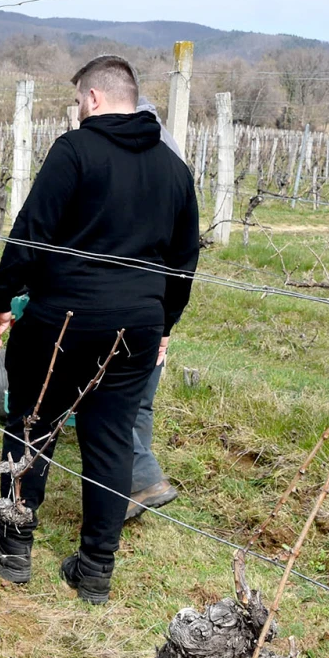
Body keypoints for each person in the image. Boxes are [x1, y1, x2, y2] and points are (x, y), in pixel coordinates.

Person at [0, 55, 199, 604]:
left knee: (32, 425)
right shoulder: (174, 168)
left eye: (77, 102)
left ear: (93, 99)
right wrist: (164, 322)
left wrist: (0, 300)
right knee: (112, 440)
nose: (77, 111)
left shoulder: (75, 151)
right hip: (137, 327)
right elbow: (185, 260)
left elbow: (32, 236)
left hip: (64, 321)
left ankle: (12, 545)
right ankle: (95, 567)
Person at [125, 97, 185, 521]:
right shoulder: (176, 160)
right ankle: (132, 488)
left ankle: (143, 476)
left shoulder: (127, 158)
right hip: (162, 302)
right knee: (142, 401)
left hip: (128, 298)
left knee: (110, 399)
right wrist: (169, 321)